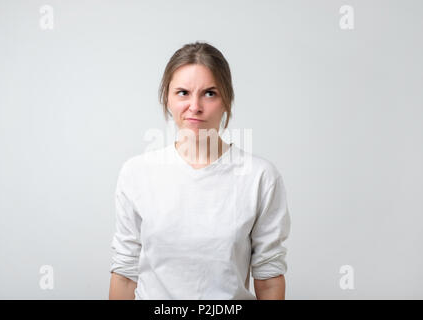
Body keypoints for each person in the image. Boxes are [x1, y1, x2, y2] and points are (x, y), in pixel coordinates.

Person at [109, 41, 291, 300]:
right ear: (167, 98)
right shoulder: (136, 173)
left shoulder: (260, 177)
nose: (194, 106)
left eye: (209, 93)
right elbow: (125, 275)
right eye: (183, 92)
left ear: (227, 100)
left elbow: (269, 277)